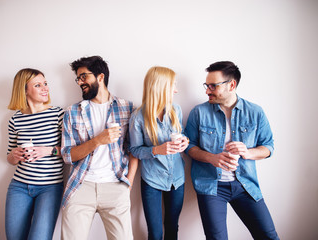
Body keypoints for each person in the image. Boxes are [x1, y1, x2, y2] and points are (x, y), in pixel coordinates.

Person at [185, 61, 279, 240]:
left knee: (268, 235)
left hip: (245, 185)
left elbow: (268, 146)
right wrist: (212, 158)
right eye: (206, 85)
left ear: (232, 85)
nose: (207, 91)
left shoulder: (255, 112)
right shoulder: (199, 112)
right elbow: (189, 147)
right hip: (211, 186)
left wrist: (248, 152)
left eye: (213, 86)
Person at [60, 55, 138, 240]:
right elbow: (67, 155)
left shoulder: (127, 108)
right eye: (78, 78)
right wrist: (97, 140)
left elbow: (134, 149)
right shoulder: (71, 112)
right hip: (81, 185)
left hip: (115, 185)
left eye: (83, 77)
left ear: (100, 77)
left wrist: (129, 183)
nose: (80, 82)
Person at [129, 66, 189, 240]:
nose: (176, 90)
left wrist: (185, 141)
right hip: (152, 180)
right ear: (161, 87)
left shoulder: (176, 110)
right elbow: (134, 150)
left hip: (177, 178)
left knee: (172, 227)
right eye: (173, 85)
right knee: (155, 233)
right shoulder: (138, 117)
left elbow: (182, 133)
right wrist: (156, 150)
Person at [5, 68, 64, 240]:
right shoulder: (15, 119)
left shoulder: (58, 114)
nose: (45, 88)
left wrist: (48, 150)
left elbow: (71, 151)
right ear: (24, 90)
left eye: (45, 84)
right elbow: (9, 157)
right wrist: (14, 155)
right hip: (19, 186)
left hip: (50, 187)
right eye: (38, 85)